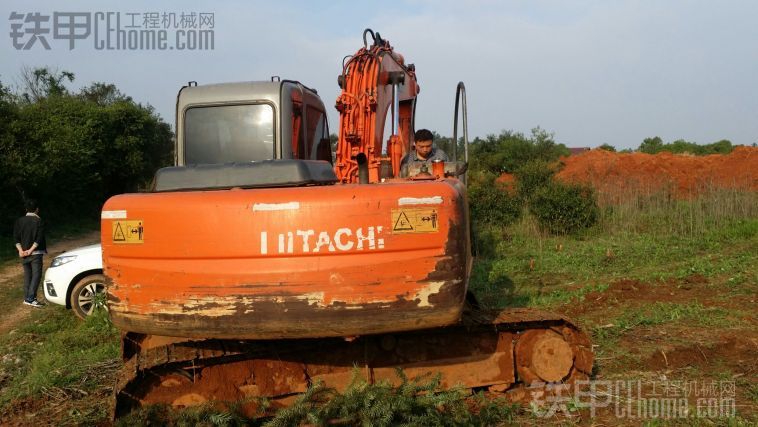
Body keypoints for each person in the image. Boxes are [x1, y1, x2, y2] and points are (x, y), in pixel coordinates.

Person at [13, 199, 46, 308]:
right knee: (36, 275)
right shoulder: (39, 221)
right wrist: (31, 250)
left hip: (23, 253)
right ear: (37, 209)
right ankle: (31, 298)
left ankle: (28, 298)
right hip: (35, 253)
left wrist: (21, 250)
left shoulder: (19, 221)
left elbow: (16, 238)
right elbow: (39, 238)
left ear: (26, 209)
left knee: (28, 275)